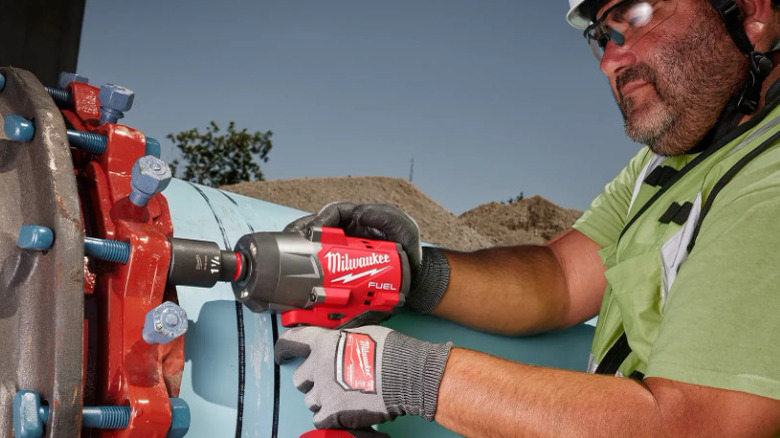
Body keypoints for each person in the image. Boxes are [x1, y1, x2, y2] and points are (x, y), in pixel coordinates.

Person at [274, 0, 780, 435]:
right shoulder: (661, 165)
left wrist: (413, 375)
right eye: (603, 35)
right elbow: (559, 279)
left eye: (637, 14)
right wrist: (414, 272)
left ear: (750, 12)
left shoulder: (770, 176)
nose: (610, 61)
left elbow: (694, 425)